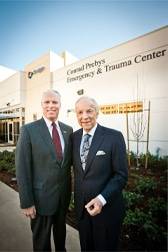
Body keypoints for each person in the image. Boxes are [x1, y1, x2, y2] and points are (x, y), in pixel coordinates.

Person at [15, 90, 73, 252]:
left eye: (54, 102)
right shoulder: (29, 130)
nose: (51, 105)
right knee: (41, 244)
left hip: (62, 198)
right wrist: (26, 202)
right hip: (40, 201)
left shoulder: (68, 130)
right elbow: (22, 168)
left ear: (60, 105)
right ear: (41, 105)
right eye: (47, 102)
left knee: (61, 240)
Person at [73, 96, 128, 251]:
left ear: (97, 112)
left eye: (89, 111)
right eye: (80, 112)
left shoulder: (114, 137)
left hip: (107, 212)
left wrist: (101, 199)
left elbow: (121, 175)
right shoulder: (74, 138)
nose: (85, 116)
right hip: (82, 212)